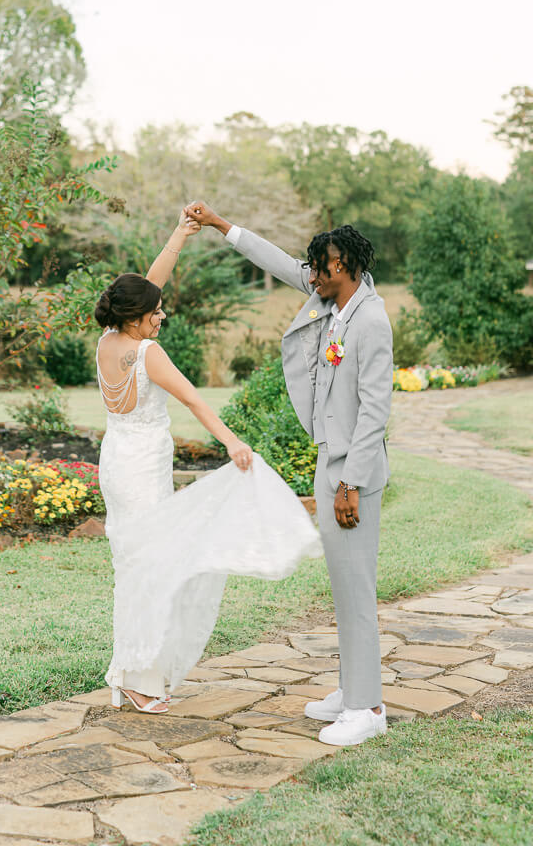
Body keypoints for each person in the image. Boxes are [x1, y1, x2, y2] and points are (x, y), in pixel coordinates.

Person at [95, 211, 322, 714]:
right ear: (140, 317)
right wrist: (233, 444)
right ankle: (138, 680)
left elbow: (146, 288)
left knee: (136, 564)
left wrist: (179, 233)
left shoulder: (108, 341)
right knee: (152, 567)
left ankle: (131, 673)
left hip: (118, 462)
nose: (163, 315)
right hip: (142, 469)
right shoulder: (148, 352)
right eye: (158, 312)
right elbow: (196, 400)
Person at [185, 202, 393, 748]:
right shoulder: (333, 302)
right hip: (331, 463)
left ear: (343, 265)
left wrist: (349, 482)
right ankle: (352, 688)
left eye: (320, 269)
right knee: (343, 586)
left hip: (353, 474)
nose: (312, 277)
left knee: (357, 589)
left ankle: (367, 708)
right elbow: (277, 262)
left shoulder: (370, 318)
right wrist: (220, 225)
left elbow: (375, 411)